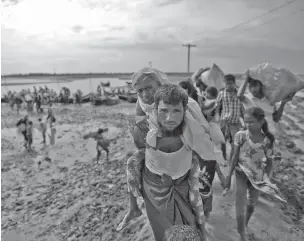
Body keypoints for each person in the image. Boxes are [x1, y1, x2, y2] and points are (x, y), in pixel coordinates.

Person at [225, 107, 285, 241]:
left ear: (261, 121)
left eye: (251, 122)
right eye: (246, 122)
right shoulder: (240, 135)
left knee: (251, 205)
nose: (247, 125)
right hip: (240, 173)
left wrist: (267, 181)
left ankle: (245, 224)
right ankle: (241, 234)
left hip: (257, 178)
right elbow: (235, 156)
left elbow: (270, 162)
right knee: (240, 202)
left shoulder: (268, 140)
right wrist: (229, 176)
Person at [217, 74, 243, 163]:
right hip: (224, 121)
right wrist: (217, 118)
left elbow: (242, 107)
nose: (229, 86)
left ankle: (232, 160)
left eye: (231, 83)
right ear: (224, 83)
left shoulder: (239, 94)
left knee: (234, 143)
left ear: (234, 83)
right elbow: (217, 106)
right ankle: (224, 157)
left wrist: (244, 121)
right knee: (223, 141)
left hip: (235, 122)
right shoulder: (221, 94)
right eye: (227, 83)